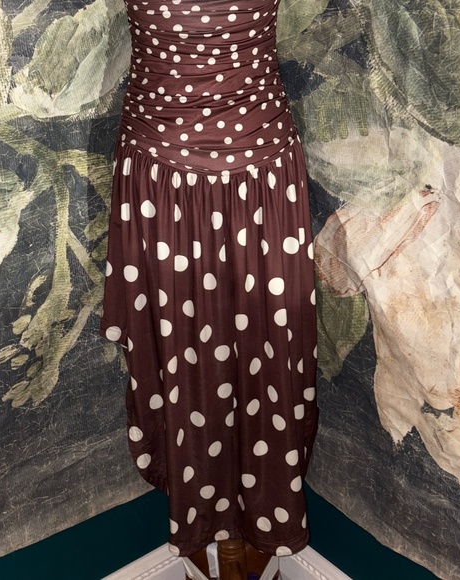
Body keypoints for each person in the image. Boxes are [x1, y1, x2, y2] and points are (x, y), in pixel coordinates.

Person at [101, 0, 318, 563]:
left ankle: (261, 521)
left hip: (261, 178)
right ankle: (205, 524)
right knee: (184, 358)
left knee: (269, 359)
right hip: (162, 179)